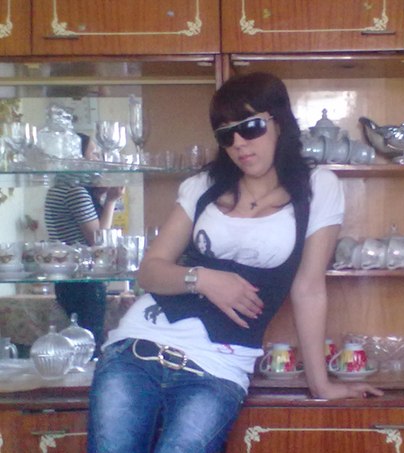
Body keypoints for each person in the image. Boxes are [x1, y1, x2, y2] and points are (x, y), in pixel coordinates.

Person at [87, 72, 383, 453]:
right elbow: (150, 270)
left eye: (250, 127)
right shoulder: (202, 186)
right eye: (226, 135)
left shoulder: (317, 187)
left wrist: (320, 384)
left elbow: (308, 289)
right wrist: (203, 279)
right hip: (136, 347)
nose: (239, 143)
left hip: (218, 367)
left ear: (280, 122)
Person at [44, 133, 125, 355]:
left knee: (75, 341)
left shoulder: (57, 189)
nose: (98, 159)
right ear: (78, 158)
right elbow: (98, 240)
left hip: (66, 276)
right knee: (90, 343)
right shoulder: (75, 191)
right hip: (84, 278)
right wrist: (111, 201)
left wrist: (98, 197)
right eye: (93, 154)